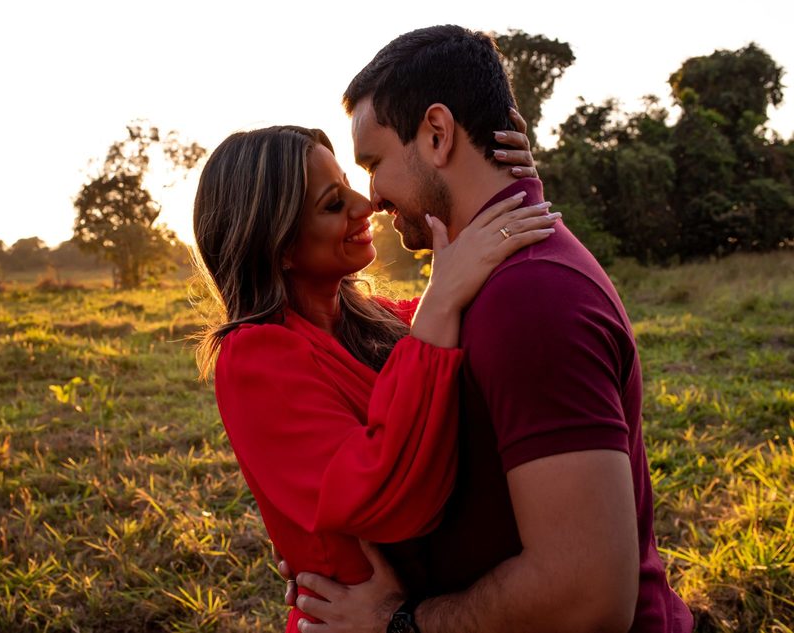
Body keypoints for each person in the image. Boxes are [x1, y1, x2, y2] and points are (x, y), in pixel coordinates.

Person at [288, 25, 694, 633]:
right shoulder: (488, 279)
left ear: (437, 133)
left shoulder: (531, 298)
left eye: (373, 163)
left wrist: (402, 624)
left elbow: (587, 594)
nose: (370, 198)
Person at [192, 123, 555, 633]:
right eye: (331, 203)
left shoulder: (376, 319)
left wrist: (515, 186)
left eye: (347, 183)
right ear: (280, 247)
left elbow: (479, 299)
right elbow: (385, 497)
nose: (364, 206)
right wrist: (441, 300)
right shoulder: (254, 357)